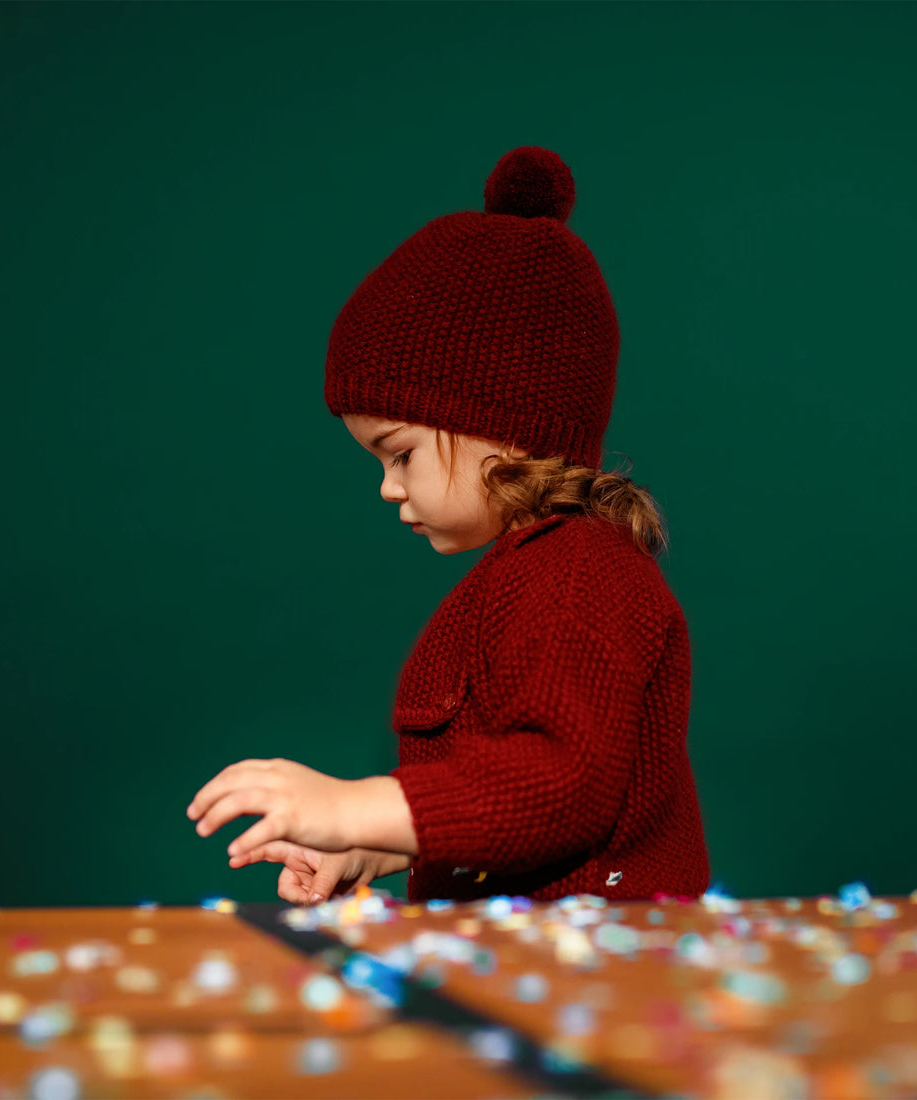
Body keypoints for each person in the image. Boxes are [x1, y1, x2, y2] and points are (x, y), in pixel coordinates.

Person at [187, 146, 710, 907]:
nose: (388, 488)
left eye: (399, 454)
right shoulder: (526, 573)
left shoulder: (579, 573)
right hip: (538, 965)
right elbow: (504, 807)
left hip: (609, 977)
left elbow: (561, 787)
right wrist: (377, 848)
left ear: (500, 423)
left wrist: (351, 805)